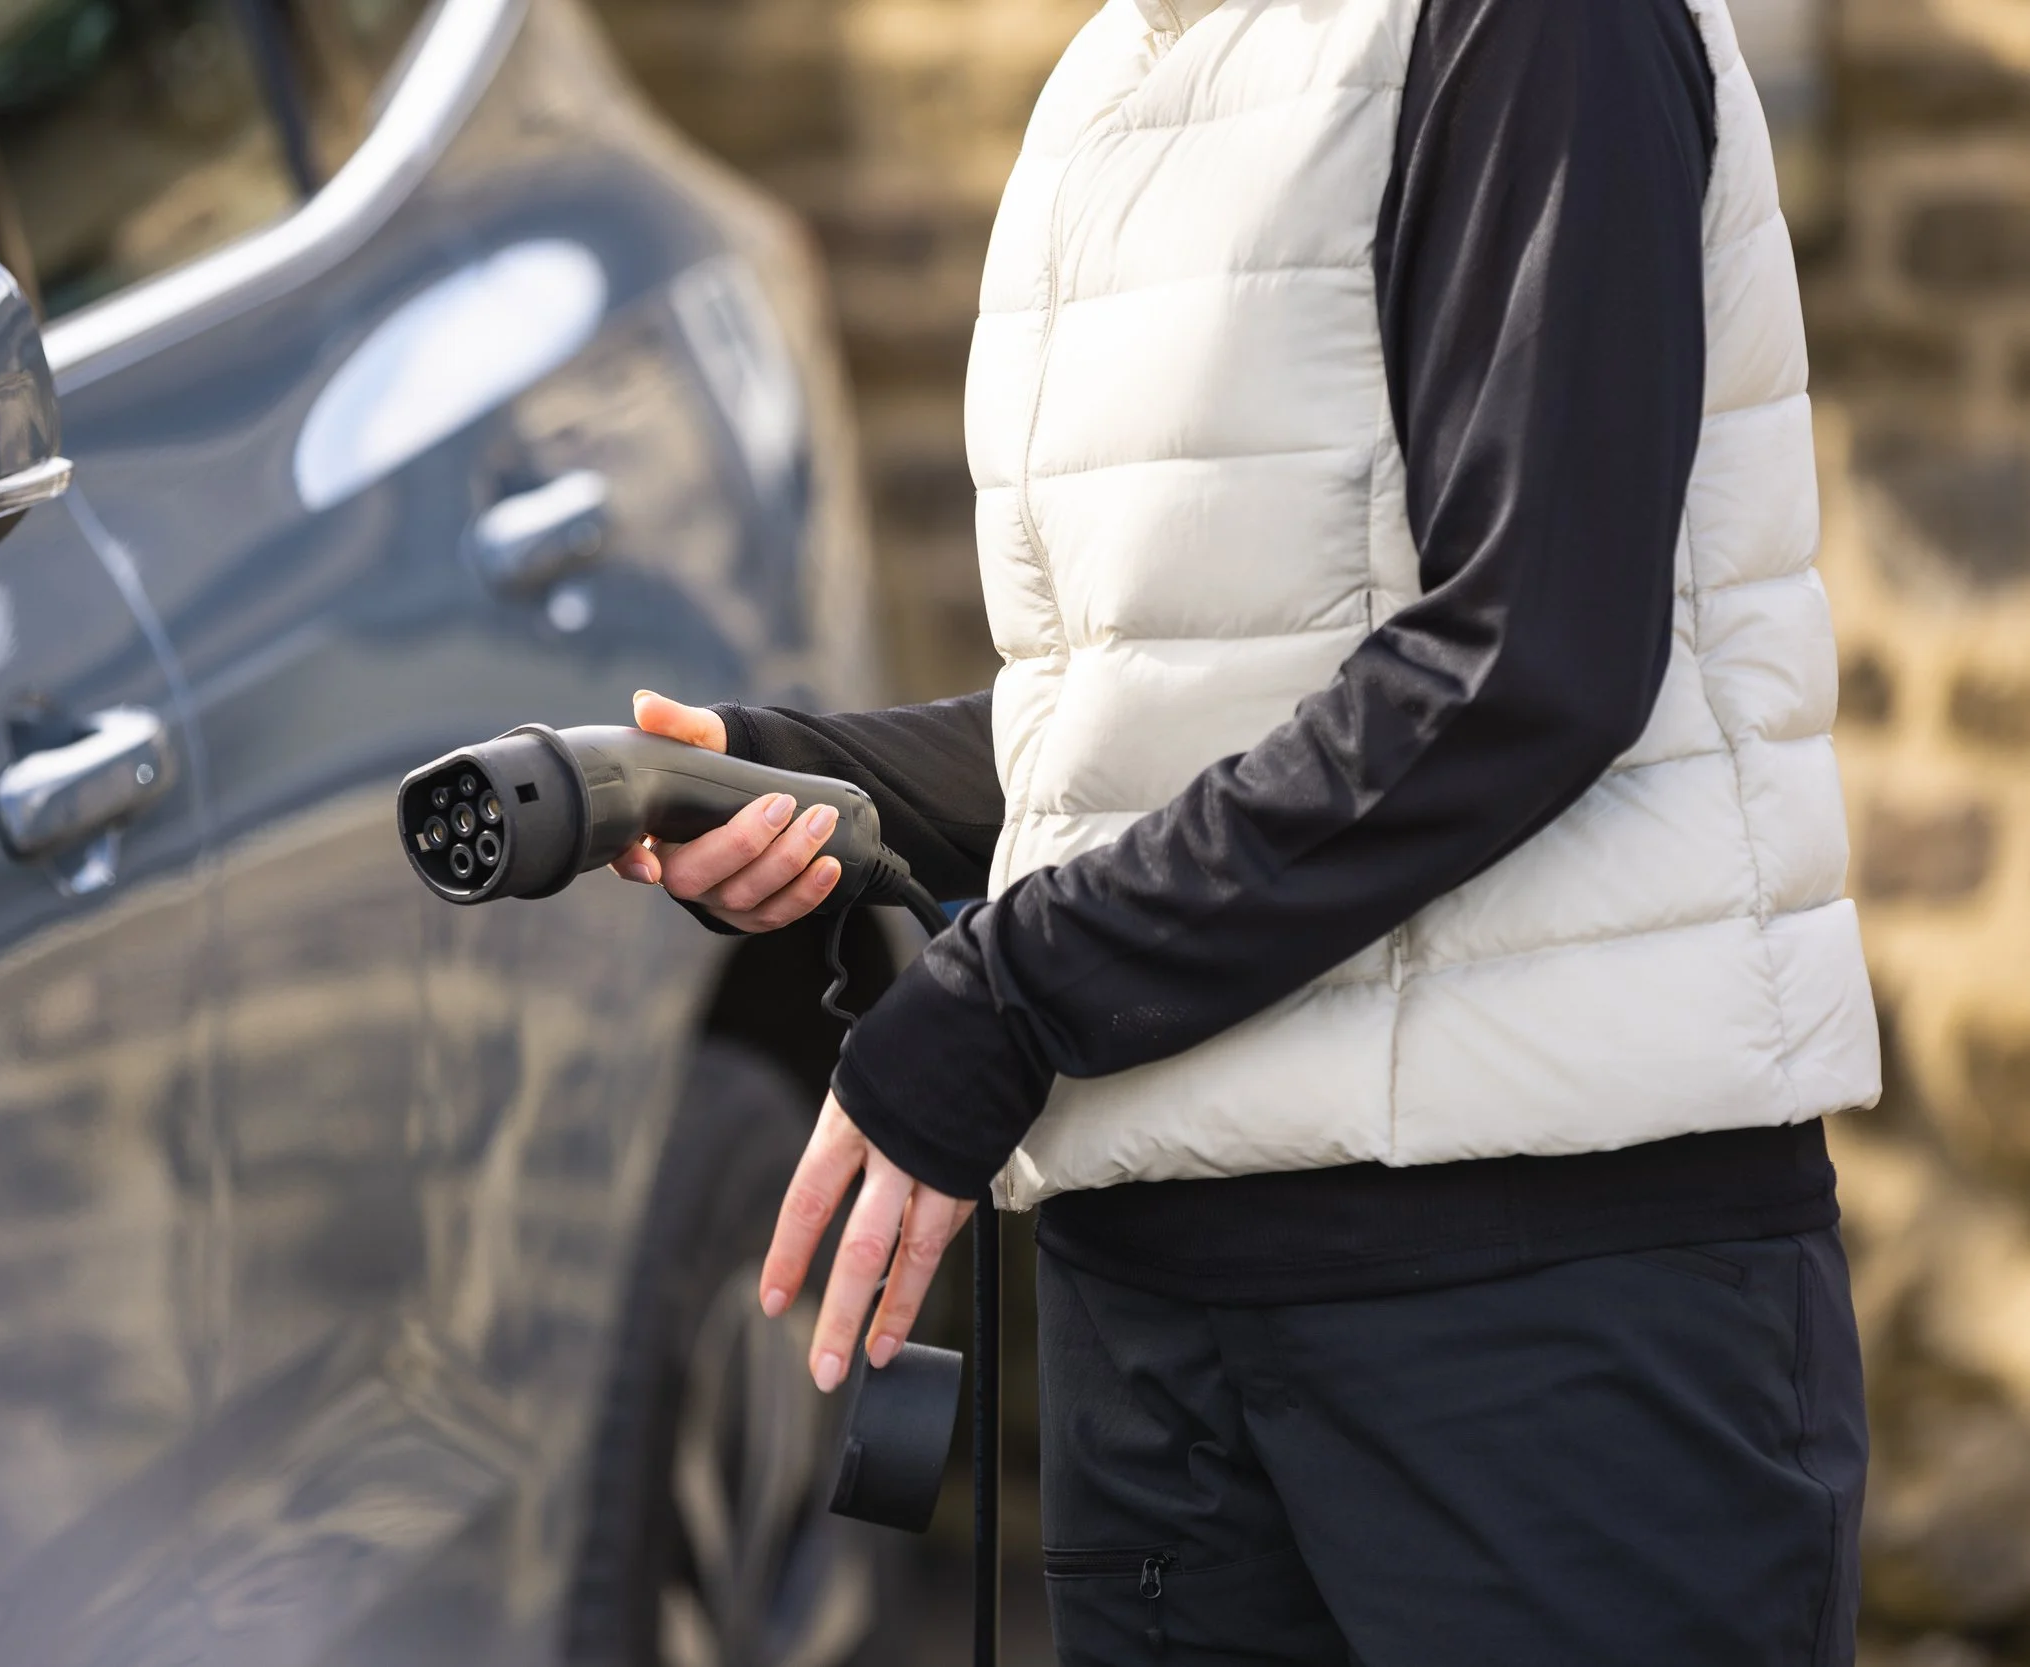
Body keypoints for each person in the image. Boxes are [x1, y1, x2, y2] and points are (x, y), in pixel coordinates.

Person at [613, 0, 1878, 1657]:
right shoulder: (1109, 82)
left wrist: (1014, 994)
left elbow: (1526, 665)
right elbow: (1148, 728)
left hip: (1534, 1312)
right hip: (1161, 1318)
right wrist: (816, 784)